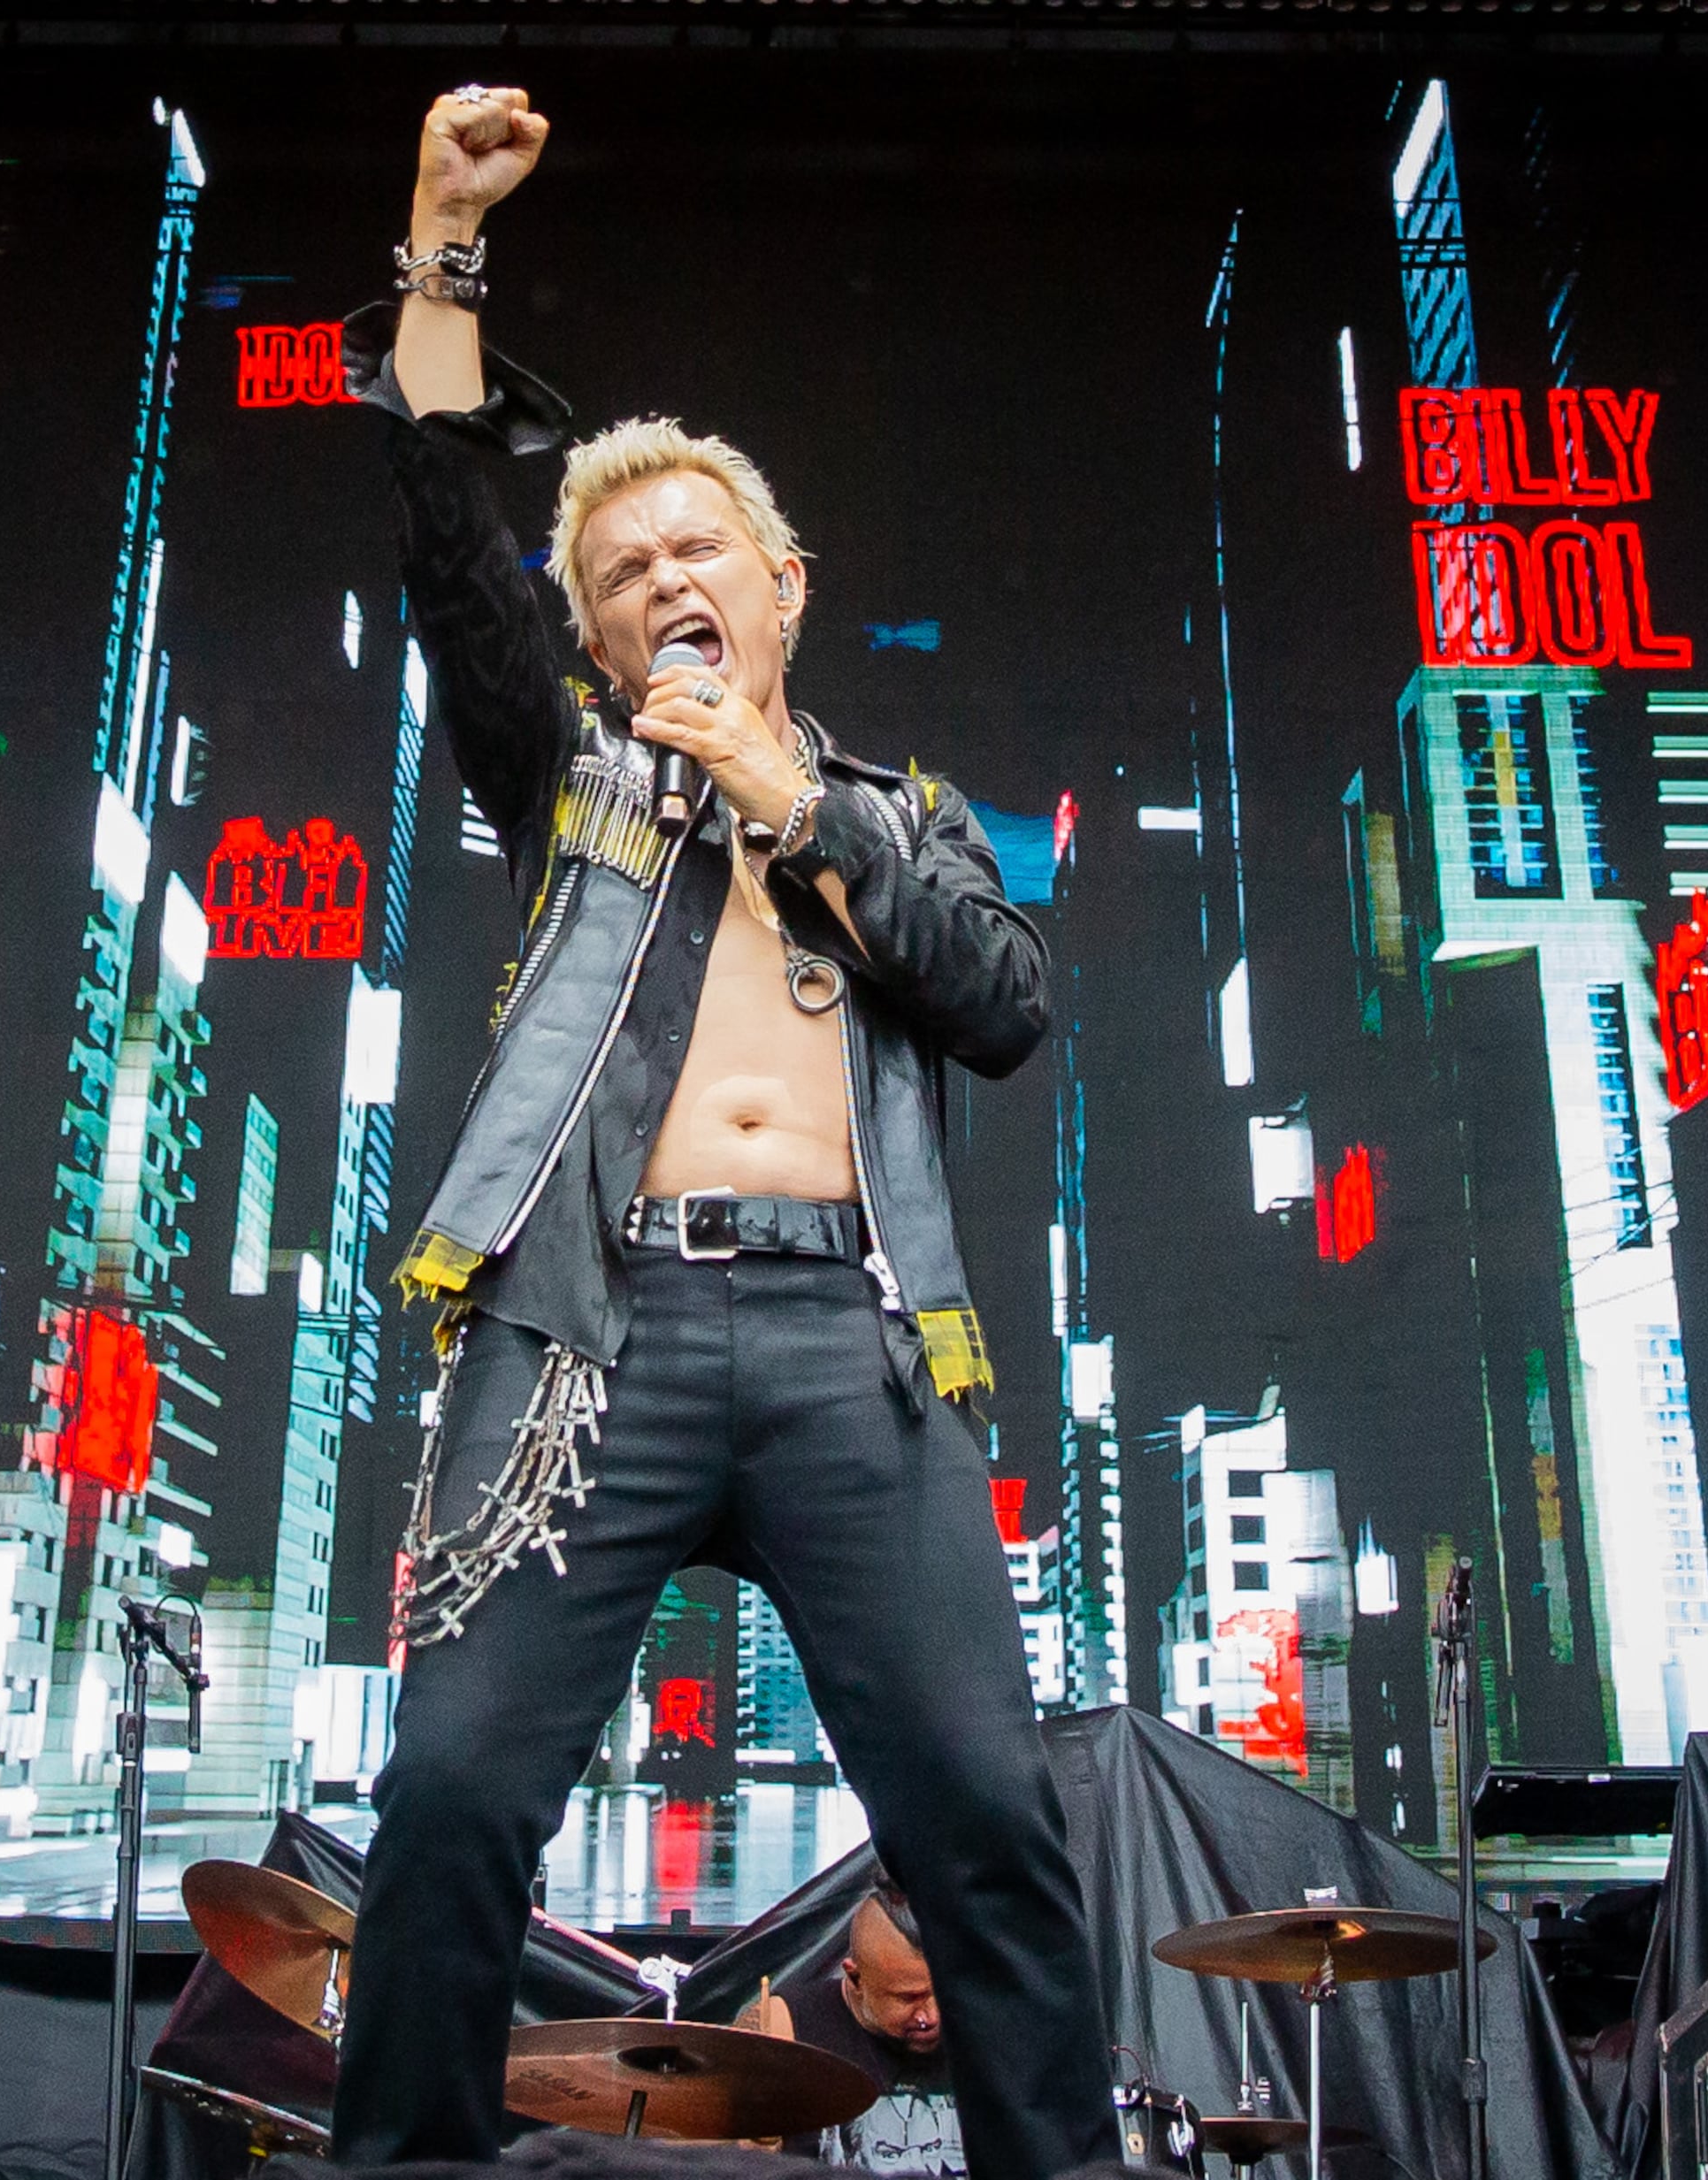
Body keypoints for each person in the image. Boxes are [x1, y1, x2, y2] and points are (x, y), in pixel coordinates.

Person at [325, 84, 1121, 2180]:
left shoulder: (902, 820)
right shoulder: (569, 790)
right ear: (590, 640)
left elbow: (1004, 1001)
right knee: (453, 1800)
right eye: (619, 572)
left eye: (696, 550)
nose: (662, 576)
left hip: (857, 1352)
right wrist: (437, 245)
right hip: (590, 1343)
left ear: (778, 586)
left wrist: (790, 804)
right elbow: (435, 526)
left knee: (986, 1821)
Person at [741, 1886, 967, 2176]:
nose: (931, 2015)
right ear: (855, 1977)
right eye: (909, 1998)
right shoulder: (784, 2025)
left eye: (944, 1992)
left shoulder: (985, 2021)